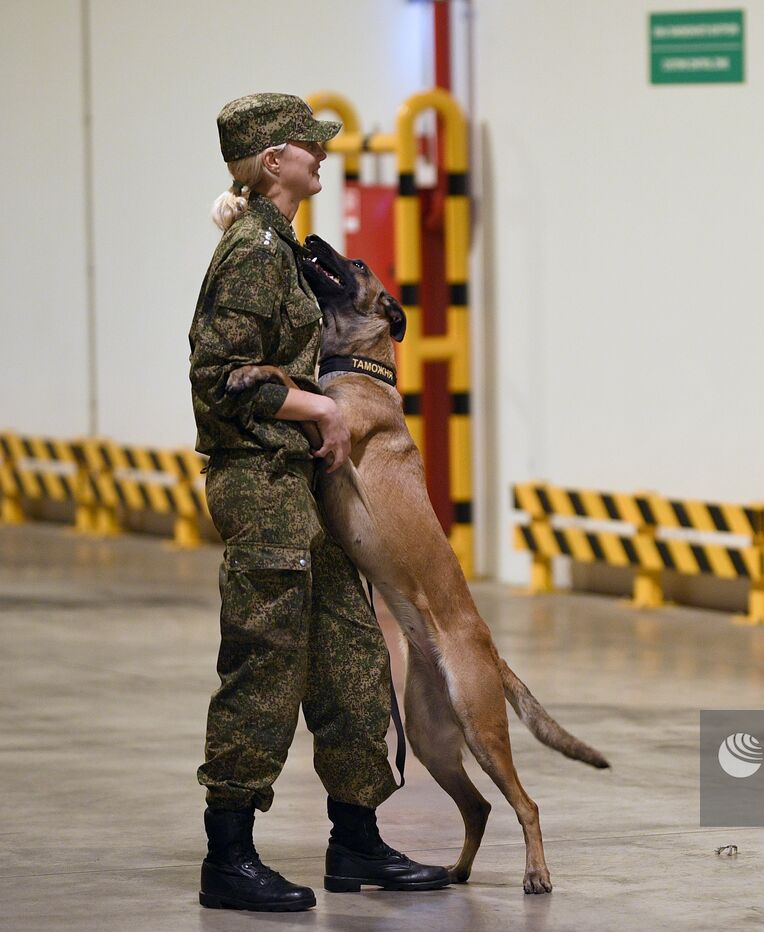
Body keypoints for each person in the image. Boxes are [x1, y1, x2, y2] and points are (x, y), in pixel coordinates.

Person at [188, 93, 449, 912]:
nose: (322, 156)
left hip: (306, 487)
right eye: (310, 145)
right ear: (274, 161)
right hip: (262, 484)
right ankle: (228, 857)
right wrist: (320, 408)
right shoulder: (251, 255)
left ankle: (356, 841)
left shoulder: (275, 244)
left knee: (350, 660)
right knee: (264, 666)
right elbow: (217, 379)